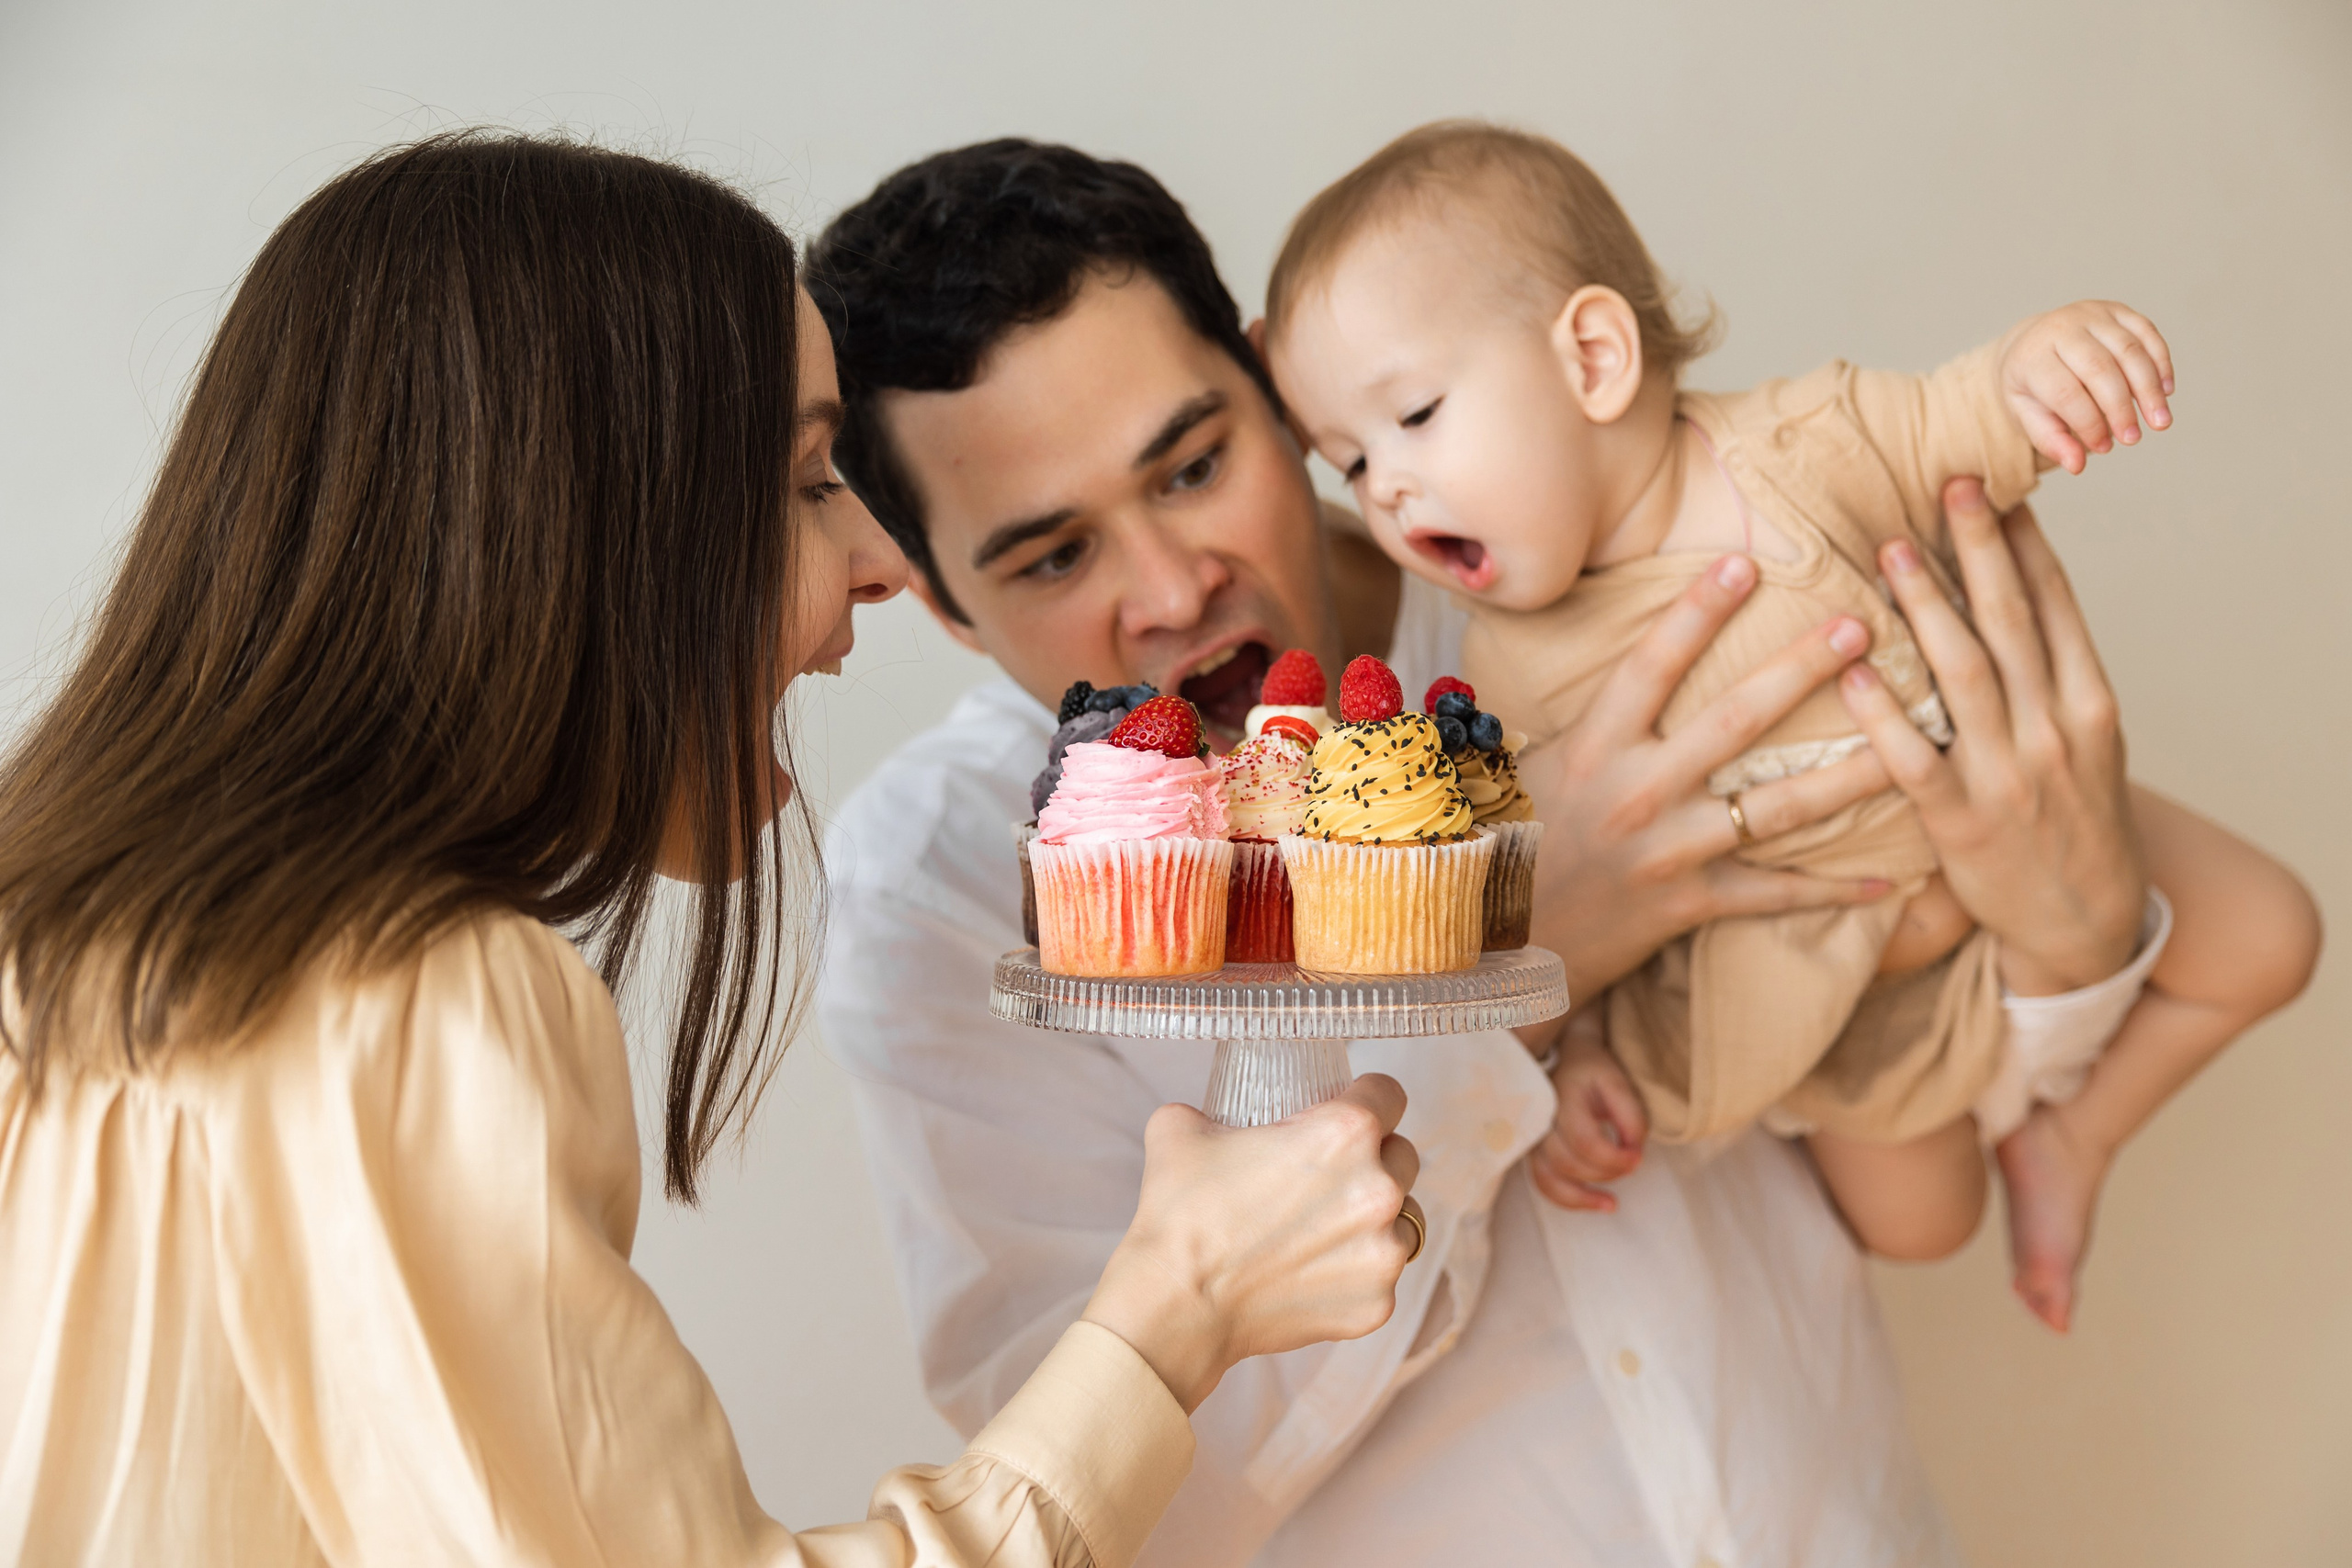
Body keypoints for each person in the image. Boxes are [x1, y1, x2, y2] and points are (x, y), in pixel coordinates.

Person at [0, 133, 1428, 1568]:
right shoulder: (414, 997)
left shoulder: (62, 948)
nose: (878, 560)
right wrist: (1177, 1304)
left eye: (1190, 465)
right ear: (568, 524)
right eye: (812, 476)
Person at [807, 139, 2192, 1567]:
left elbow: (1906, 1100)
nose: (1169, 590)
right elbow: (1125, 1508)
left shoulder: (1586, 570)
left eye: (1197, 466)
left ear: (1284, 395)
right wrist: (1512, 964)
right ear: (941, 603)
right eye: (1050, 559)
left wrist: (2070, 936)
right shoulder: (948, 888)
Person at [1261, 120, 2321, 1321]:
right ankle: (2007, 1135)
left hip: (1993, 799)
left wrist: (2055, 352)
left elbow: (1968, 415)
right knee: (1926, 1223)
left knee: (2271, 931)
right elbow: (1580, 887)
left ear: (1595, 357)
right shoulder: (1504, 674)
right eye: (1346, 463)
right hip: (1836, 982)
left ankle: (2078, 1139)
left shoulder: (1806, 446)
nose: (1386, 489)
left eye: (1413, 418)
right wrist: (1594, 1049)